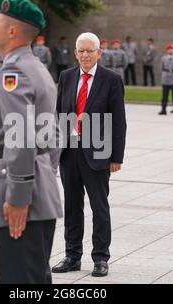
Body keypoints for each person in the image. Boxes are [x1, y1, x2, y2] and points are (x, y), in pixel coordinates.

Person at [0, 0, 62, 284]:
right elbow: (53, 137)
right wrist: (42, 174)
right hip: (40, 187)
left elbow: (19, 137)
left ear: (12, 31)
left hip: (21, 198)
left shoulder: (13, 71)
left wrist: (18, 196)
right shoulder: (37, 68)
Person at [53, 32, 127, 278]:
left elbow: (119, 121)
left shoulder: (111, 80)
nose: (85, 55)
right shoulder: (66, 76)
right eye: (81, 51)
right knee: (72, 206)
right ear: (75, 53)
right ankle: (72, 256)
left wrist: (116, 157)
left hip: (98, 153)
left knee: (99, 207)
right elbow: (58, 114)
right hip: (70, 151)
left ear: (99, 53)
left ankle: (100, 258)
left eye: (89, 51)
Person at [159, 43, 173, 116]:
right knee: (164, 95)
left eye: (171, 49)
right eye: (169, 49)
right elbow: (161, 67)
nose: (170, 50)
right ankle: (163, 109)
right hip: (166, 78)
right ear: (167, 50)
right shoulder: (163, 58)